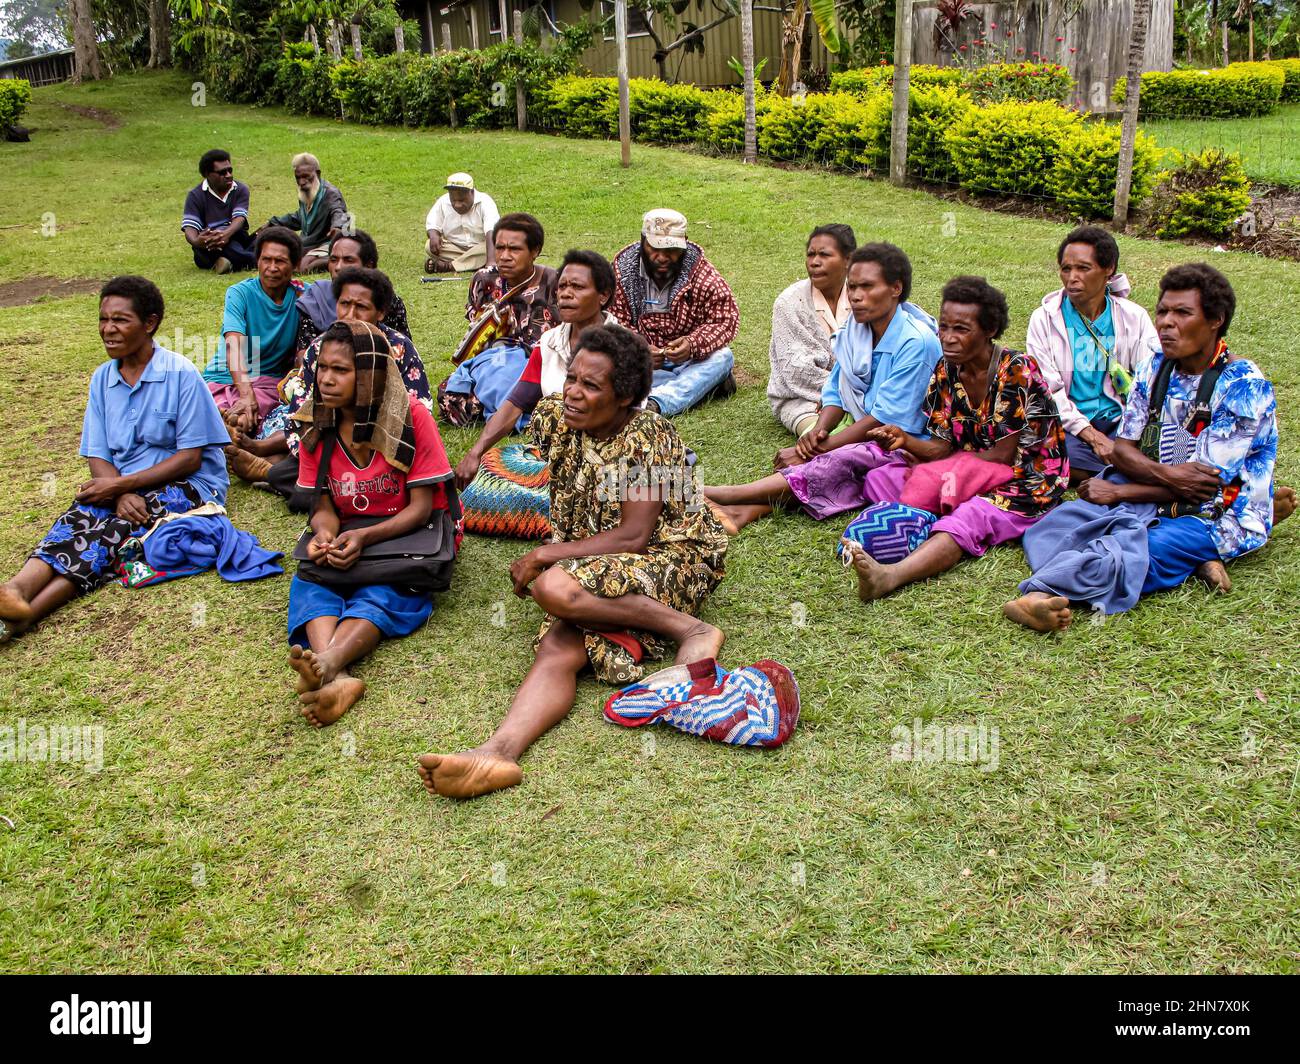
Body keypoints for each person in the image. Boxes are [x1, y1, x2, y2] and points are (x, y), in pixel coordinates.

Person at [416, 326, 728, 799]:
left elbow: (635, 535)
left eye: (591, 386)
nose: (574, 394)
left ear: (625, 397)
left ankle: (691, 630)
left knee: (555, 589)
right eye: (573, 379)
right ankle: (498, 751)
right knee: (559, 646)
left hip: (675, 555)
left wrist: (544, 553)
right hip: (595, 559)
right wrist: (477, 450)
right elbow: (516, 409)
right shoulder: (559, 416)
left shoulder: (649, 434)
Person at [1005, 263, 1282, 632]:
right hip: (1154, 492)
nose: (1167, 322)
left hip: (1218, 511)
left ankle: (1040, 596)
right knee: (1051, 527)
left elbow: (1205, 488)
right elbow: (1123, 449)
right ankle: (1197, 562)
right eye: (1163, 311)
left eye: (1182, 313)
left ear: (1215, 320)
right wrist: (1162, 477)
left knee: (1136, 552)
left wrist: (1119, 492)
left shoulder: (1244, 385)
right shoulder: (1156, 367)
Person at [0, 277, 231, 642]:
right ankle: (15, 590)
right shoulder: (102, 379)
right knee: (81, 513)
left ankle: (28, 612)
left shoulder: (180, 373)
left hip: (191, 487)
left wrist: (123, 487)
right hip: (126, 483)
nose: (109, 329)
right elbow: (98, 453)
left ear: (150, 323)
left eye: (120, 320)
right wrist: (117, 491)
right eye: (103, 319)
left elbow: (189, 458)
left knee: (116, 532)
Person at [287, 320, 458, 727]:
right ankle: (336, 675)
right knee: (313, 579)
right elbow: (322, 505)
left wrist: (363, 536)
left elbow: (421, 508)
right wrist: (327, 534)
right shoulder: (318, 421)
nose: (326, 379)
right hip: (351, 530)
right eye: (322, 368)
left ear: (369, 374)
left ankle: (328, 663)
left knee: (383, 587)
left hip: (407, 532)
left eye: (340, 370)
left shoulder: (411, 416)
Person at [705, 243, 942, 532]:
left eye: (867, 287)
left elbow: (886, 418)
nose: (855, 296)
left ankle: (723, 494)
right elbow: (836, 389)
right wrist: (820, 431)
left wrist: (818, 450)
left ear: (895, 288)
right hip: (866, 430)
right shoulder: (857, 329)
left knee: (846, 461)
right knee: (843, 460)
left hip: (904, 443)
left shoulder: (916, 343)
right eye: (852, 287)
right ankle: (743, 513)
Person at [227, 266, 431, 494]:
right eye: (344, 304)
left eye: (361, 307)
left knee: (315, 487)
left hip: (384, 450)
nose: (350, 314)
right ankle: (280, 472)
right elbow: (300, 414)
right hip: (333, 449)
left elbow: (419, 412)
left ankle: (272, 473)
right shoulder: (320, 348)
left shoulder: (400, 348)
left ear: (381, 312)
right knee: (301, 479)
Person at [454, 249, 619, 491]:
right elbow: (514, 405)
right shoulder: (550, 343)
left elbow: (631, 419)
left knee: (552, 409)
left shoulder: (624, 347)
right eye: (562, 287)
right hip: (556, 459)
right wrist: (476, 452)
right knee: (491, 477)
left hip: (610, 457)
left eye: (578, 288)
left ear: (603, 296)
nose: (566, 295)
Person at [1026, 225, 1160, 480]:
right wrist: (1093, 437)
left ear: (1108, 270)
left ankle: (1117, 469)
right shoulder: (1044, 320)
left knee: (1160, 445)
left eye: (1083, 268)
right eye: (1066, 269)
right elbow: (1049, 391)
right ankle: (1126, 473)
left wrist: (1126, 436)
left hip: (1122, 424)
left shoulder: (1133, 316)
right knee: (1040, 451)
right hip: (1070, 429)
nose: (1072, 278)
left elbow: (1148, 381)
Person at [610, 208, 739, 417]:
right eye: (655, 249)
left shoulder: (702, 273)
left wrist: (692, 344)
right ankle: (702, 385)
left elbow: (726, 319)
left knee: (723, 357)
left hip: (691, 360)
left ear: (685, 243)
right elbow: (612, 321)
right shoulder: (622, 271)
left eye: (671, 249)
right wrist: (638, 348)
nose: (662, 257)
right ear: (643, 240)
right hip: (642, 364)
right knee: (608, 362)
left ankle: (655, 404)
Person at [438, 212, 559, 427]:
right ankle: (505, 410)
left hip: (537, 368)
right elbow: (478, 335)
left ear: (535, 251)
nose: (504, 255)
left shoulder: (554, 283)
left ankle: (503, 410)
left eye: (514, 249)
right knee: (449, 395)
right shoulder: (484, 279)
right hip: (492, 366)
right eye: (500, 248)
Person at [201, 226, 303, 434]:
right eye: (266, 259)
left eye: (280, 261)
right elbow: (234, 345)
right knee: (219, 414)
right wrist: (246, 394)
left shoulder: (305, 297)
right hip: (223, 377)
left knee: (241, 421)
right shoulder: (240, 293)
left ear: (295, 265)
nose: (271, 267)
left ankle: (226, 432)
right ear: (257, 261)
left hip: (267, 381)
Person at [767, 223, 856, 437]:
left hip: (862, 396)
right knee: (823, 440)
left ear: (849, 260)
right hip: (803, 399)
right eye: (811, 254)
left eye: (824, 255)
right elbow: (797, 372)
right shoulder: (789, 303)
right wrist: (853, 394)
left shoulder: (864, 295)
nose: (815, 262)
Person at [294, 230, 410, 351]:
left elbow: (403, 350)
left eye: (348, 260)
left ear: (368, 266)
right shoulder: (315, 300)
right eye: (333, 260)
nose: (338, 267)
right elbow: (304, 355)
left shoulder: (385, 301)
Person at [260, 153, 349, 273]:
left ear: (317, 173)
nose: (302, 182)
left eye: (306, 177)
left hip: (326, 243)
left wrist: (337, 227)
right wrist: (273, 223)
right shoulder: (306, 191)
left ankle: (336, 260)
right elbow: (301, 217)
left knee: (302, 267)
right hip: (307, 244)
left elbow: (338, 211)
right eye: (298, 177)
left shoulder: (330, 193)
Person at [181, 149, 254, 274]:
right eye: (222, 172)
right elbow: (190, 227)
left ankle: (224, 263)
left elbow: (239, 218)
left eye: (230, 170)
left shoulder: (240, 189)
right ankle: (254, 260)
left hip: (234, 236)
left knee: (263, 236)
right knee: (208, 250)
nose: (228, 175)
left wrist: (225, 234)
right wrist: (196, 241)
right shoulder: (195, 195)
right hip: (208, 244)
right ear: (207, 174)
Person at [424, 171, 499, 274]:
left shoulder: (485, 202)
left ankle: (449, 266)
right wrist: (434, 235)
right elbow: (432, 224)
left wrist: (491, 262)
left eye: (462, 200)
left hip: (482, 247)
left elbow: (492, 232)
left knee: (495, 248)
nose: (457, 205)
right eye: (454, 200)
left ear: (472, 192)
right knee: (429, 246)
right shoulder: (443, 201)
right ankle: (471, 263)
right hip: (455, 248)